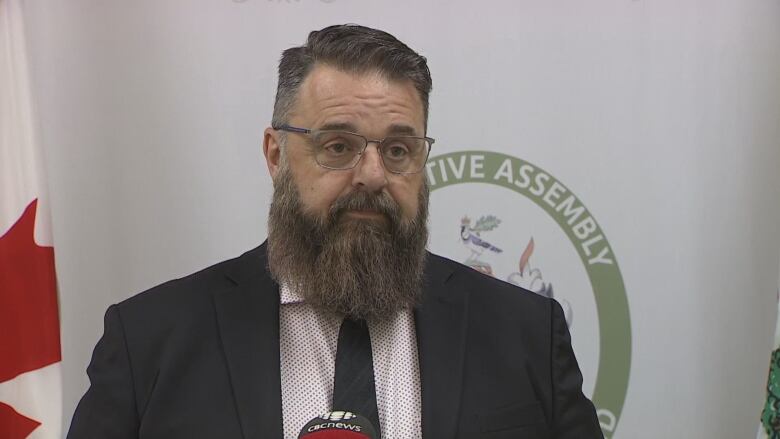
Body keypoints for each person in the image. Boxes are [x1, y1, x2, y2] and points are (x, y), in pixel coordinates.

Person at [67, 24, 603, 439]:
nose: (372, 175)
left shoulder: (525, 333)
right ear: (276, 155)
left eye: (398, 150)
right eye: (338, 146)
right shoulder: (150, 343)